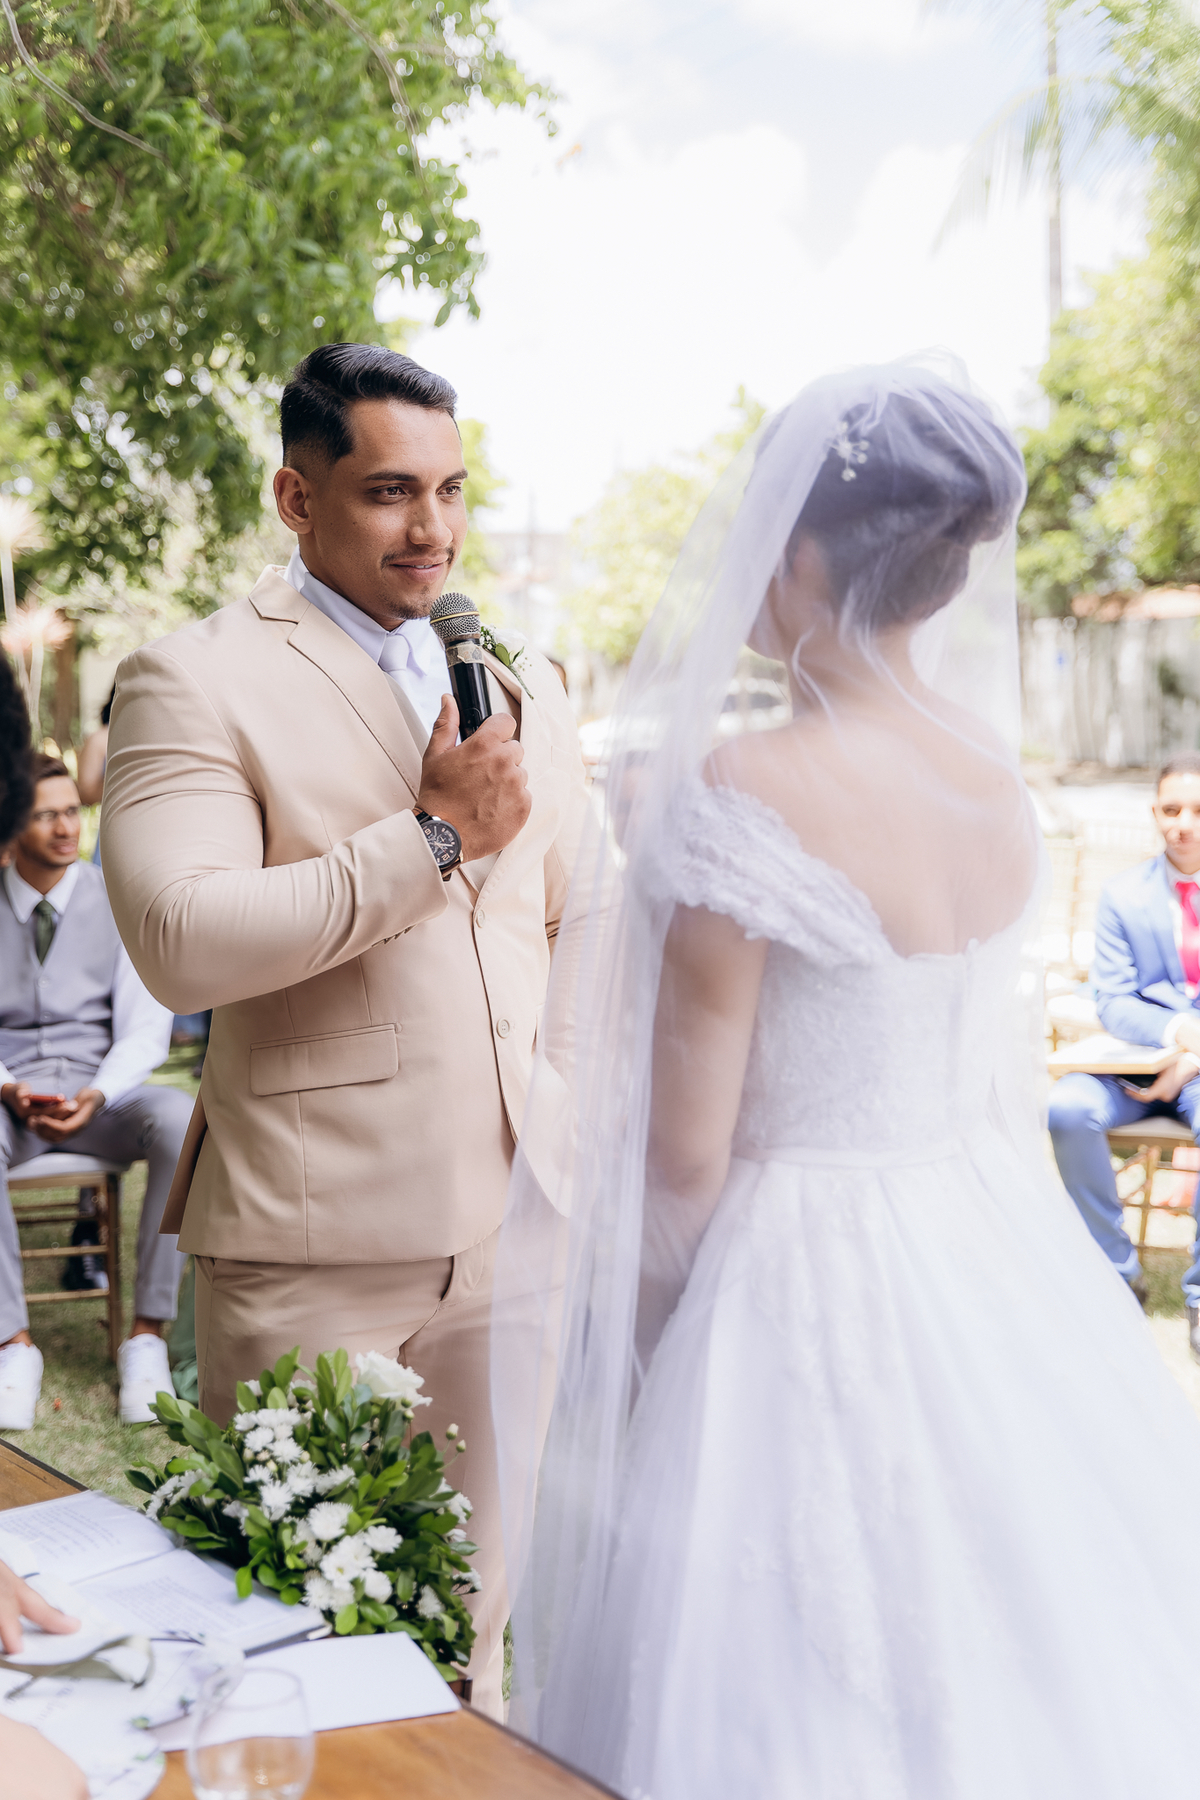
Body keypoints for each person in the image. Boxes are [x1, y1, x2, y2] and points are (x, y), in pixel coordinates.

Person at [492, 360, 1200, 1798]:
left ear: (806, 553)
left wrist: (619, 1365)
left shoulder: (745, 794)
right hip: (982, 1250)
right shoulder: (993, 778)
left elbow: (685, 1163)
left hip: (790, 1274)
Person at [98, 343, 589, 1717]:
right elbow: (181, 934)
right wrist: (432, 837)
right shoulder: (189, 679)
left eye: (450, 490)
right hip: (310, 1259)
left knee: (470, 1652)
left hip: (514, 1238)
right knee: (301, 1665)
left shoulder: (522, 674)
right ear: (295, 498)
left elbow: (584, 911)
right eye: (387, 492)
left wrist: (575, 1106)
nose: (431, 529)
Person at [0, 755, 192, 1427]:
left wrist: (99, 1092)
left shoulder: (119, 899)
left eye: (70, 812)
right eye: (44, 814)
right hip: (9, 1103)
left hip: (101, 1096)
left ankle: (146, 1335)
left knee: (181, 1117)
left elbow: (146, 1026)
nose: (64, 828)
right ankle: (11, 1345)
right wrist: (9, 1087)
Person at [1050, 755, 1200, 1325]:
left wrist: (1189, 1060)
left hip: (1198, 1075)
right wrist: (1179, 1032)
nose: (1184, 822)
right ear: (1154, 813)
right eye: (1171, 809)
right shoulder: (1121, 895)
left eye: (1198, 810)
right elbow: (1112, 999)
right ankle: (1117, 1274)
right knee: (1066, 1108)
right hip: (1126, 1066)